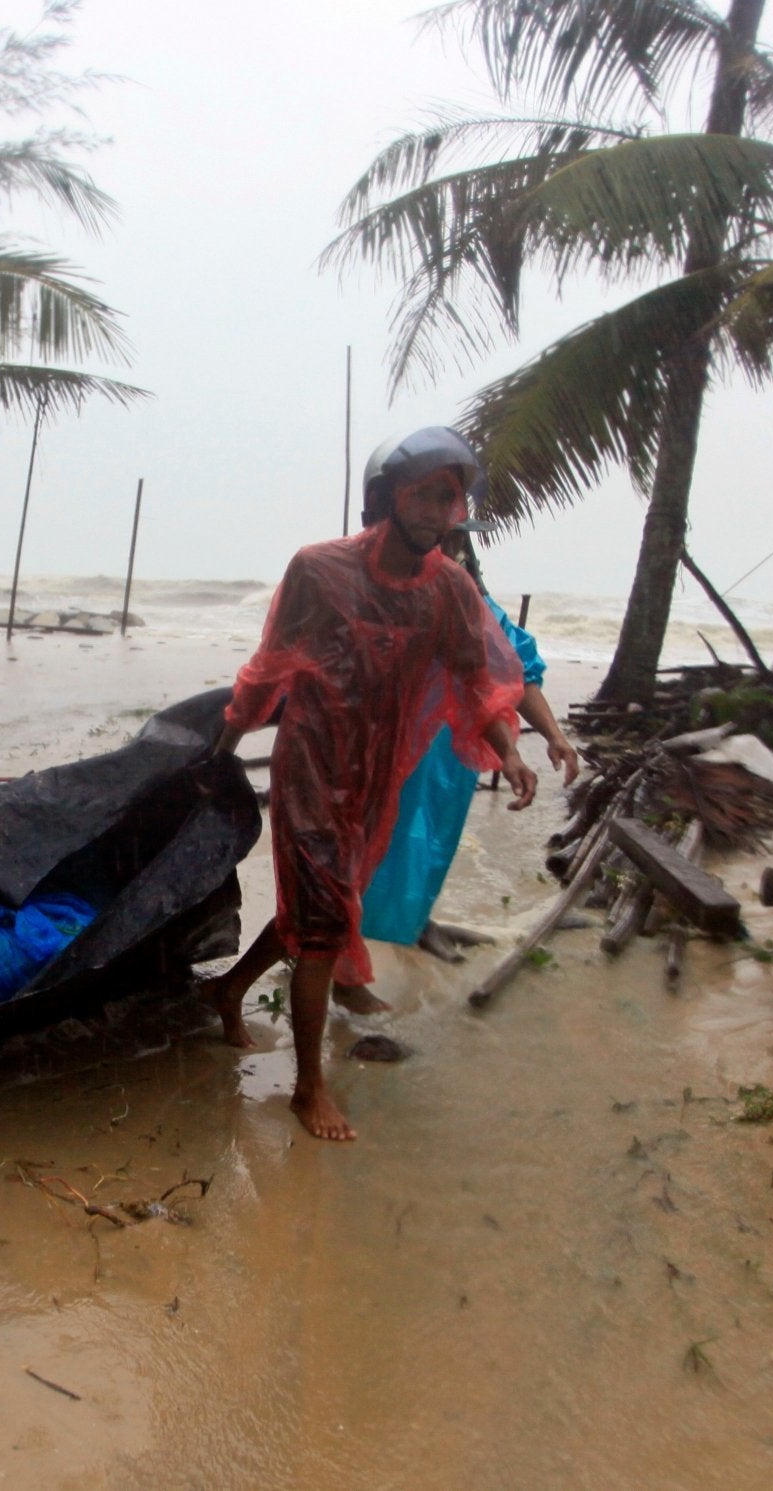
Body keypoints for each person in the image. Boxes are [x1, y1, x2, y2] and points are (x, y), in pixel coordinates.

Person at [204, 426, 533, 1141]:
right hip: (312, 768)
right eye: (425, 493)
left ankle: (228, 991)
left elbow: (479, 683)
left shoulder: (450, 587)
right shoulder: (319, 571)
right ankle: (308, 1088)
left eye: (451, 497)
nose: (439, 510)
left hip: (378, 775)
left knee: (322, 910)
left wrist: (507, 752)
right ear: (386, 496)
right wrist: (222, 751)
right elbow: (267, 669)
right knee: (322, 925)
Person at [346, 524, 581, 980]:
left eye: (455, 541)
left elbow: (518, 672)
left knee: (430, 838)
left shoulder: (475, 605)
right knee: (365, 843)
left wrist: (555, 736)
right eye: (440, 538)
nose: (446, 549)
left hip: (452, 752)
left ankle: (408, 925)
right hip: (381, 743)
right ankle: (346, 950)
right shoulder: (381, 596)